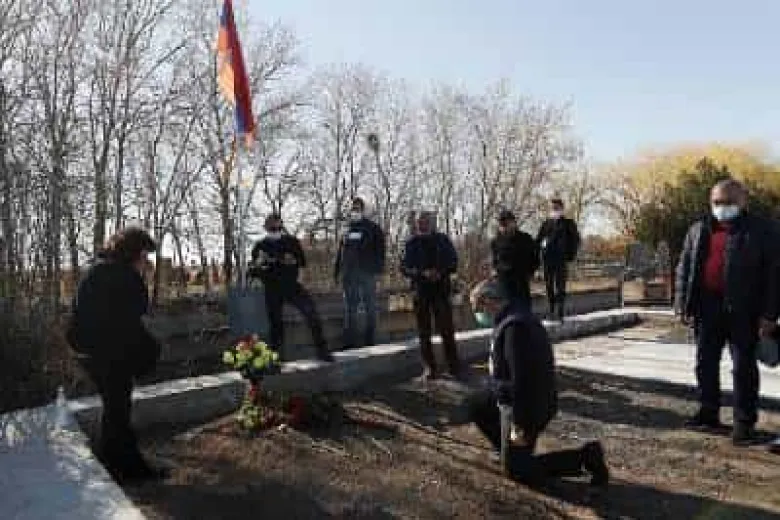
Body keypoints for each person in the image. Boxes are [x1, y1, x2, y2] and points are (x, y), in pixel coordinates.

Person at [468, 278, 609, 488]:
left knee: (517, 472)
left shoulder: (515, 329)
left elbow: (522, 382)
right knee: (476, 404)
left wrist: (519, 425)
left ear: (489, 301)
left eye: (477, 308)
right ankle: (508, 450)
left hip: (529, 407)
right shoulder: (515, 317)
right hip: (519, 397)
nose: (478, 315)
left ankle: (585, 458)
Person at [675, 179, 779, 445]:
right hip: (706, 306)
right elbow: (684, 267)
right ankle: (707, 412)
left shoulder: (763, 231)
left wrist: (770, 315)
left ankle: (744, 423)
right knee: (705, 362)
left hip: (745, 309)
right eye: (717, 202)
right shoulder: (699, 229)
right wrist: (682, 304)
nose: (722, 207)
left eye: (729, 202)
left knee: (743, 367)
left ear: (743, 201)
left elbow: (774, 275)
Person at [66, 227, 165, 483]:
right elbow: (138, 308)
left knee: (114, 408)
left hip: (89, 350)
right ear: (134, 253)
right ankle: (129, 469)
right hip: (110, 353)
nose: (146, 260)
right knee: (118, 409)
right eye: (144, 255)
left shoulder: (96, 269)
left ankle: (114, 462)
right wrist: (141, 276)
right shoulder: (123, 275)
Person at [249, 214, 333, 362]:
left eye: (277, 227)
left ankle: (322, 350)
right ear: (266, 228)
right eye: (271, 228)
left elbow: (302, 264)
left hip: (292, 286)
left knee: (311, 313)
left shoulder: (292, 242)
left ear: (281, 226)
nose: (275, 230)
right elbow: (253, 271)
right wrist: (259, 264)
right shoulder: (260, 246)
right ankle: (276, 358)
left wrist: (298, 274)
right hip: (272, 289)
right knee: (275, 324)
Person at [401, 211, 462, 380]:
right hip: (421, 291)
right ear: (417, 224)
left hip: (441, 290)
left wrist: (440, 272)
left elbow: (454, 262)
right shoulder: (411, 243)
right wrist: (422, 273)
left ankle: (454, 366)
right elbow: (404, 268)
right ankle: (429, 368)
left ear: (432, 223)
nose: (423, 224)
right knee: (424, 331)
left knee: (446, 329)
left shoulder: (442, 240)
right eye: (420, 221)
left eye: (426, 221)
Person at [334, 197, 386, 349]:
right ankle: (350, 342)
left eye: (357, 208)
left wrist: (377, 271)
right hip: (348, 275)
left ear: (363, 210)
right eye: (353, 209)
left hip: (367, 274)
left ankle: (369, 340)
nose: (354, 211)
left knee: (370, 307)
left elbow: (380, 251)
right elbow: (340, 252)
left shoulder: (373, 228)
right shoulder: (346, 229)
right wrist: (336, 272)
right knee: (350, 308)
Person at [536, 198, 580, 321]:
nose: (554, 210)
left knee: (560, 287)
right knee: (548, 286)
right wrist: (540, 251)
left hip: (561, 260)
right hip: (547, 260)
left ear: (561, 208)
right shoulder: (546, 223)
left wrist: (570, 256)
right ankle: (551, 310)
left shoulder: (568, 223)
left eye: (556, 207)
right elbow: (538, 240)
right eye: (552, 208)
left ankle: (560, 311)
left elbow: (575, 240)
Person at [490, 209, 540, 308]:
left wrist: (532, 271)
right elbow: (495, 260)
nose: (504, 227)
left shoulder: (525, 238)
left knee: (523, 309)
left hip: (521, 280)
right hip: (504, 281)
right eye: (502, 225)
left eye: (506, 224)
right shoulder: (496, 241)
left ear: (513, 223)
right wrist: (495, 271)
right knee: (507, 309)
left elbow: (535, 256)